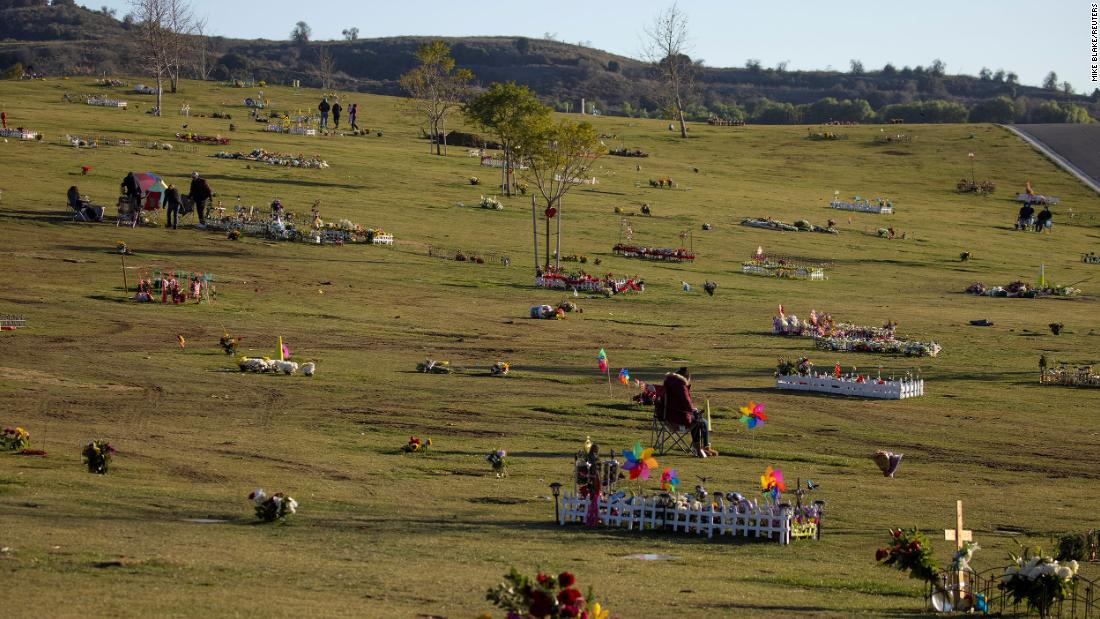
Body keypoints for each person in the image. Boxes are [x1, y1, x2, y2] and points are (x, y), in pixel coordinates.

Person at [662, 367, 717, 458]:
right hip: (677, 419)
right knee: (700, 421)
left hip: (669, 416)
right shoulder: (681, 387)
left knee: (699, 420)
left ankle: (703, 447)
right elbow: (687, 404)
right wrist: (694, 410)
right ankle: (699, 448)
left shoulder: (670, 384)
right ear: (686, 378)